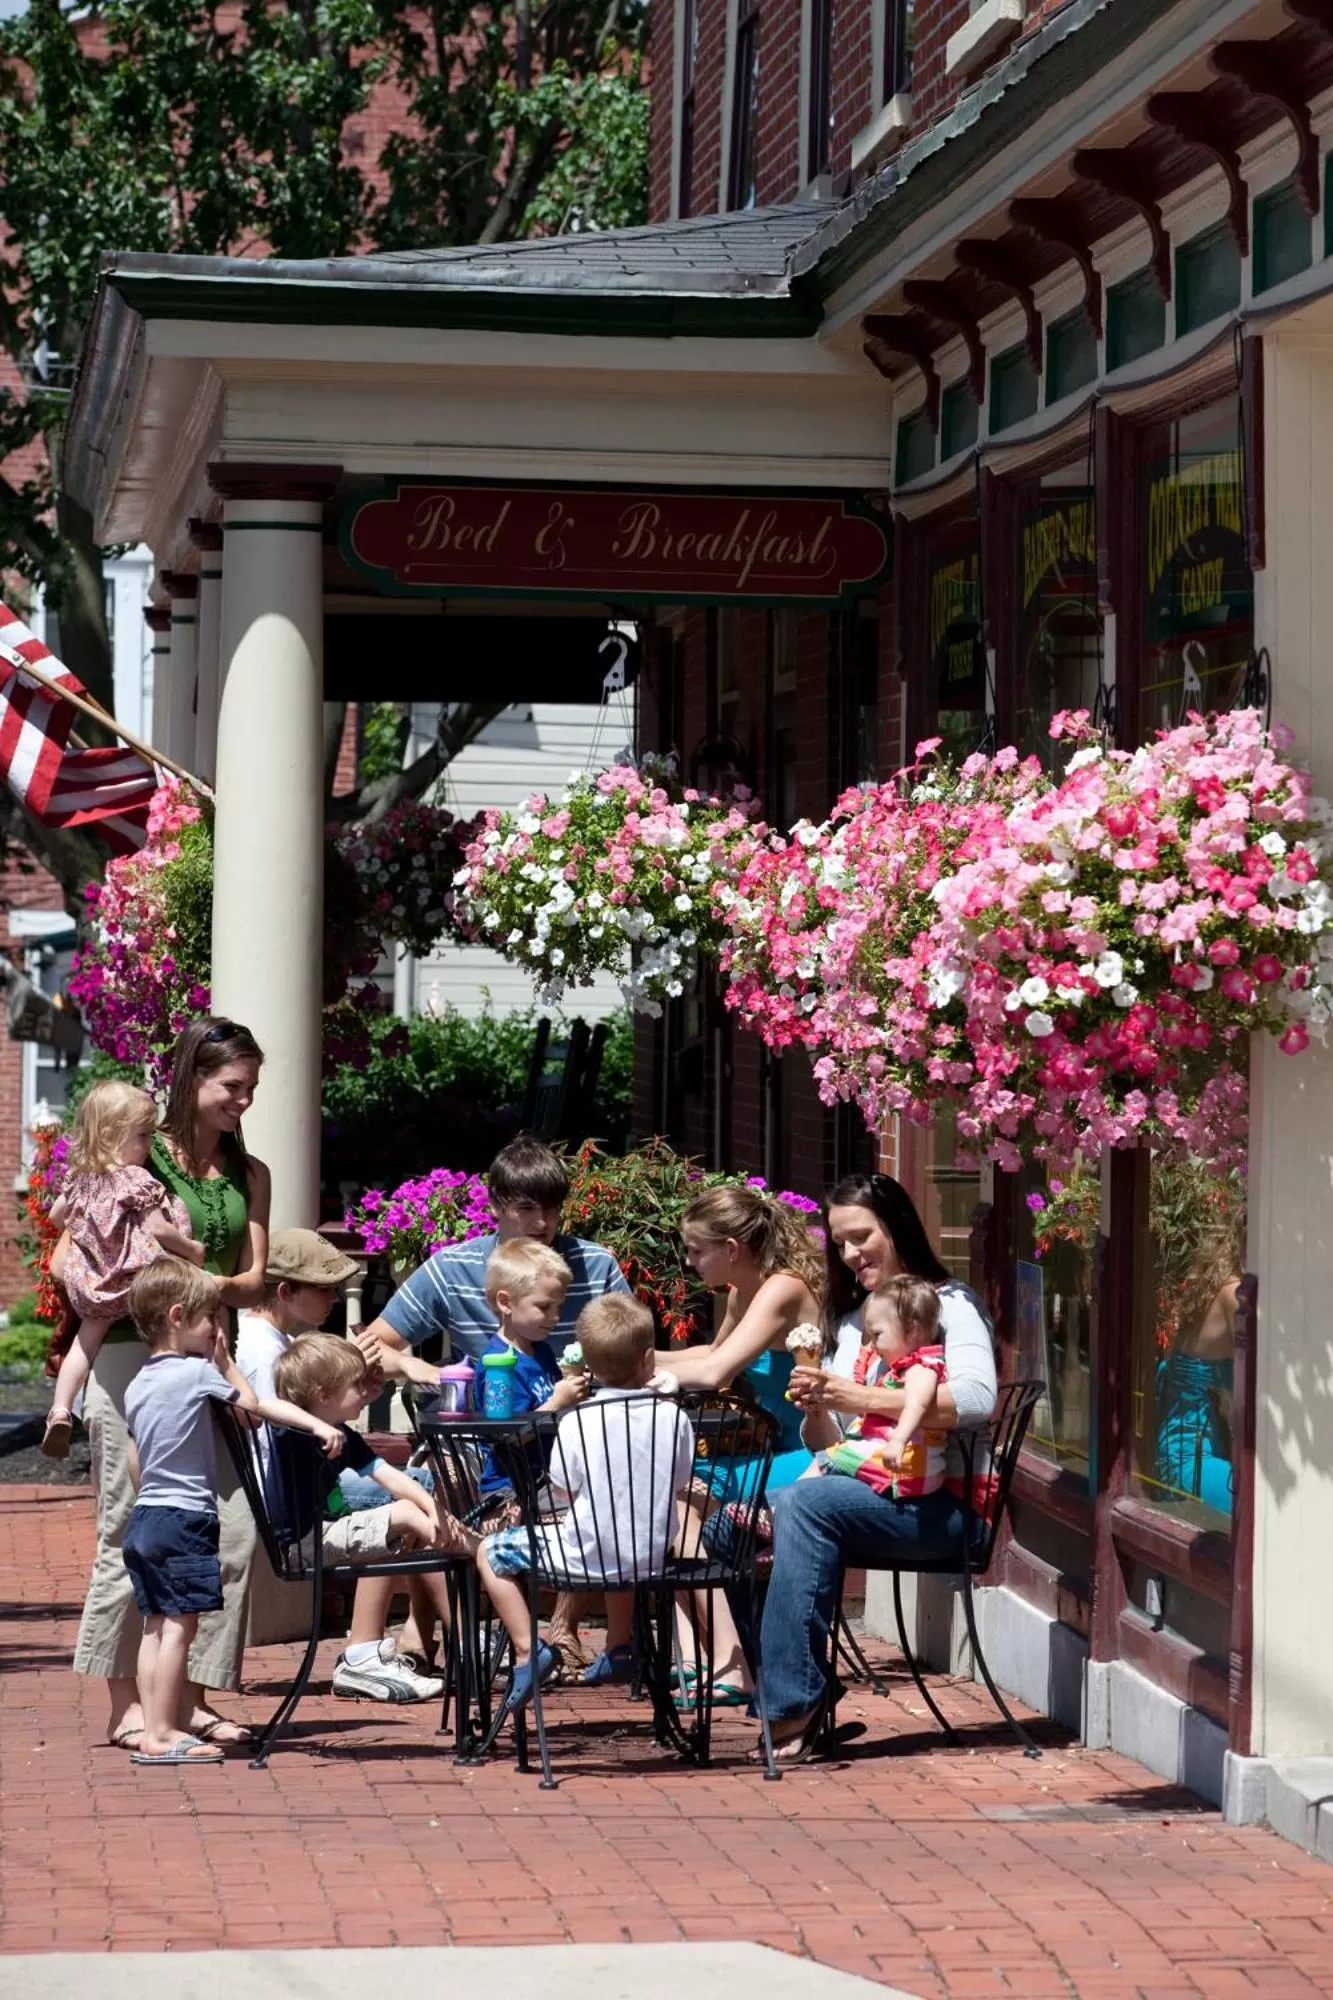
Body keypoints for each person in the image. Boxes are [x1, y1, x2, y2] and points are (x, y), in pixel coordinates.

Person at [73, 1018, 271, 1754]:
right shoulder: (138, 1152)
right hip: (130, 1356)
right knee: (129, 1528)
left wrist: (201, 1283)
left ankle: (187, 1698)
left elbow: (254, 1282)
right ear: (193, 1080)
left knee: (234, 1533)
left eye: (251, 1088)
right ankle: (127, 1703)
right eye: (232, 1086)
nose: (243, 1101)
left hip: (211, 1361)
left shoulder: (250, 1175)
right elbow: (80, 1241)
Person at [356, 1133, 629, 1667]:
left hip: (573, 1432)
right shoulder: (454, 1267)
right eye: (527, 1209)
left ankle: (570, 1631)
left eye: (552, 1208)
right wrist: (425, 1370)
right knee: (438, 1484)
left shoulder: (592, 1266)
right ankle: (440, 1633)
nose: (543, 1223)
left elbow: (631, 1345)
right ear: (496, 1204)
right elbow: (371, 1346)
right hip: (482, 1439)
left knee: (605, 1477)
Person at [759, 1171, 998, 1764]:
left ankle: (794, 1704)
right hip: (876, 1487)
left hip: (945, 1503)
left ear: (896, 1228)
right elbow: (835, 1443)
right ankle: (804, 1689)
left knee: (801, 1503)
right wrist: (818, 1407)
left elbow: (975, 1399)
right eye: (839, 1242)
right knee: (733, 1526)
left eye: (861, 1236)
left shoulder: (950, 1305)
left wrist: (858, 1398)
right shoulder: (853, 1323)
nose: (850, 1254)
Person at [122, 1259, 342, 1766]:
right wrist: (224, 1363)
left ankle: (157, 1726)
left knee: (156, 1624)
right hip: (184, 1519)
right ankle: (162, 1731)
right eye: (211, 1320)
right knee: (182, 1626)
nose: (218, 1330)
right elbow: (249, 1410)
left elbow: (136, 1458)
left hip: (148, 1515)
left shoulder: (138, 1383)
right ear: (178, 1317)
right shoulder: (198, 1372)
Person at [235, 1229, 444, 1703]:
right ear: (287, 1291)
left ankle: (421, 1636)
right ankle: (402, 1643)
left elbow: (332, 1393)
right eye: (324, 1288)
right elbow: (272, 1418)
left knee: (416, 1490)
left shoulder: (285, 1343)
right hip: (290, 1504)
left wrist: (376, 1380)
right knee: (416, 1490)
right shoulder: (263, 1351)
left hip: (316, 1488)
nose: (334, 1298)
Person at [471, 1294, 695, 1722]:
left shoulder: (575, 1420)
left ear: (587, 1365)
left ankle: (527, 1649)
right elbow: (681, 1480)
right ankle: (621, 1644)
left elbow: (562, 1488)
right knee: (622, 1536)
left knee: (490, 1552)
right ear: (649, 1359)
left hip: (584, 1555)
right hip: (651, 1556)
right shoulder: (674, 1416)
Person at [648, 1184, 824, 1703]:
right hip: (769, 1449)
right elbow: (710, 1350)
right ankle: (699, 1654)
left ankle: (729, 1664)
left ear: (730, 1250)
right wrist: (625, 1358)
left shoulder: (782, 1289)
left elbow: (716, 1371)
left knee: (682, 1505)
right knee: (667, 1498)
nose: (689, 1261)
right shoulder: (741, 1290)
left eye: (696, 1250)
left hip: (809, 1451)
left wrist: (627, 1364)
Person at [272, 1333, 461, 1696]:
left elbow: (392, 1477)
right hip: (304, 1543)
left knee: (411, 1509)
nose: (367, 1390)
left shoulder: (341, 1432)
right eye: (356, 1385)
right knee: (404, 1514)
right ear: (323, 1395)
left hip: (330, 1532)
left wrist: (437, 1512)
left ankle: (372, 1654)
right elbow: (264, 1402)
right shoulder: (294, 1432)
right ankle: (467, 1635)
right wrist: (316, 1425)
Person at [42, 1081, 203, 1459]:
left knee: (85, 1343)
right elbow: (158, 1228)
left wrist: (86, 1227)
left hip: (94, 1284)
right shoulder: (135, 1179)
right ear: (114, 1135)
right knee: (170, 1321)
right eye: (143, 1136)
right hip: (137, 1279)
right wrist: (193, 1249)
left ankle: (61, 1409)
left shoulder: (80, 1180)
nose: (149, 1147)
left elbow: (54, 1216)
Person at [472, 1238, 591, 1497]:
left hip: (548, 1478)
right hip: (512, 1486)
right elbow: (505, 1437)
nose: (556, 1317)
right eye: (544, 1307)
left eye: (558, 1307)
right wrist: (557, 1402)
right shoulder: (498, 1366)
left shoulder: (542, 1351)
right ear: (506, 1303)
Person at [815, 1277, 949, 1496]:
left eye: (877, 1335)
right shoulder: (902, 1367)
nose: (874, 1345)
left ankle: (774, 1511)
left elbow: (916, 1403)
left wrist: (897, 1440)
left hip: (905, 1466)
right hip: (899, 1462)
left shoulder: (922, 1368)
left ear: (912, 1330)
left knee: (826, 1459)